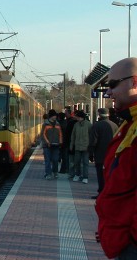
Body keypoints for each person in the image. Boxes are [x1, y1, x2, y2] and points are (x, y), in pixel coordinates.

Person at [95, 57, 137, 259]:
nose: (108, 92)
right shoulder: (128, 124)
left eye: (112, 84)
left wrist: (130, 239)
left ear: (134, 82)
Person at [89, 108, 117, 199]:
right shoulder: (115, 125)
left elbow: (93, 141)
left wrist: (91, 153)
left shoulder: (97, 126)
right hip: (112, 154)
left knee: (101, 175)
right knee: (109, 174)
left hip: (100, 155)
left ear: (99, 115)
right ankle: (108, 192)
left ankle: (101, 192)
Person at [69, 109, 92, 183]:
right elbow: (73, 135)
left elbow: (91, 135)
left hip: (86, 147)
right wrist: (71, 145)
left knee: (85, 162)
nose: (77, 118)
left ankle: (85, 177)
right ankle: (77, 175)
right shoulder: (76, 125)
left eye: (78, 117)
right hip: (77, 146)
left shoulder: (88, 125)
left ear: (81, 117)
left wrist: (90, 146)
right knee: (77, 162)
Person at [41, 109, 62, 180]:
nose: (55, 117)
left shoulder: (58, 124)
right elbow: (43, 134)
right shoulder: (45, 124)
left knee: (55, 160)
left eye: (55, 115)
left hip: (56, 145)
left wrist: (60, 142)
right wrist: (47, 142)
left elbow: (60, 134)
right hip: (47, 145)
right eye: (54, 115)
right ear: (51, 116)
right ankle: (48, 173)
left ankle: (55, 172)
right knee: (47, 160)